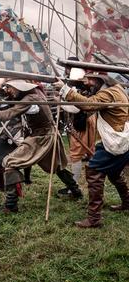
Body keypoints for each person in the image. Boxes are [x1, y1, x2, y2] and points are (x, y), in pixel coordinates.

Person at [0, 79, 82, 213]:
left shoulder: (30, 98)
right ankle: (76, 191)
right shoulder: (34, 95)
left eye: (11, 88)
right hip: (46, 135)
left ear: (20, 88)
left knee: (10, 162)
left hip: (42, 137)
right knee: (56, 166)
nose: (9, 91)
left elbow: (6, 114)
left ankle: (11, 205)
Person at [57, 72, 129, 228]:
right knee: (114, 172)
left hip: (115, 141)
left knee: (93, 170)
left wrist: (66, 90)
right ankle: (127, 203)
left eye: (90, 79)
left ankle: (94, 219)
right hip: (120, 138)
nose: (87, 82)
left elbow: (89, 105)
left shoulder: (108, 93)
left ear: (100, 80)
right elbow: (86, 106)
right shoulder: (116, 89)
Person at [58, 64, 96, 196]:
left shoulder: (81, 89)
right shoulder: (82, 88)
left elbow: (76, 108)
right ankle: (89, 184)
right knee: (88, 153)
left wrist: (62, 103)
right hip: (85, 121)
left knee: (76, 155)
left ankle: (73, 187)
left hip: (82, 123)